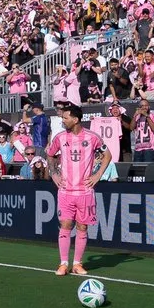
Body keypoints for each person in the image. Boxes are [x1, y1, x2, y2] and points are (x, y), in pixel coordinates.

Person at [44, 102, 110, 276]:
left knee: (82, 227)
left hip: (85, 192)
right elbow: (50, 155)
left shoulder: (92, 137)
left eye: (65, 118)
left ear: (75, 119)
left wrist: (97, 175)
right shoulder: (60, 137)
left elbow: (107, 155)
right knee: (65, 224)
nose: (63, 120)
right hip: (66, 191)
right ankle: (63, 263)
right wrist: (54, 174)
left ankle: (77, 264)